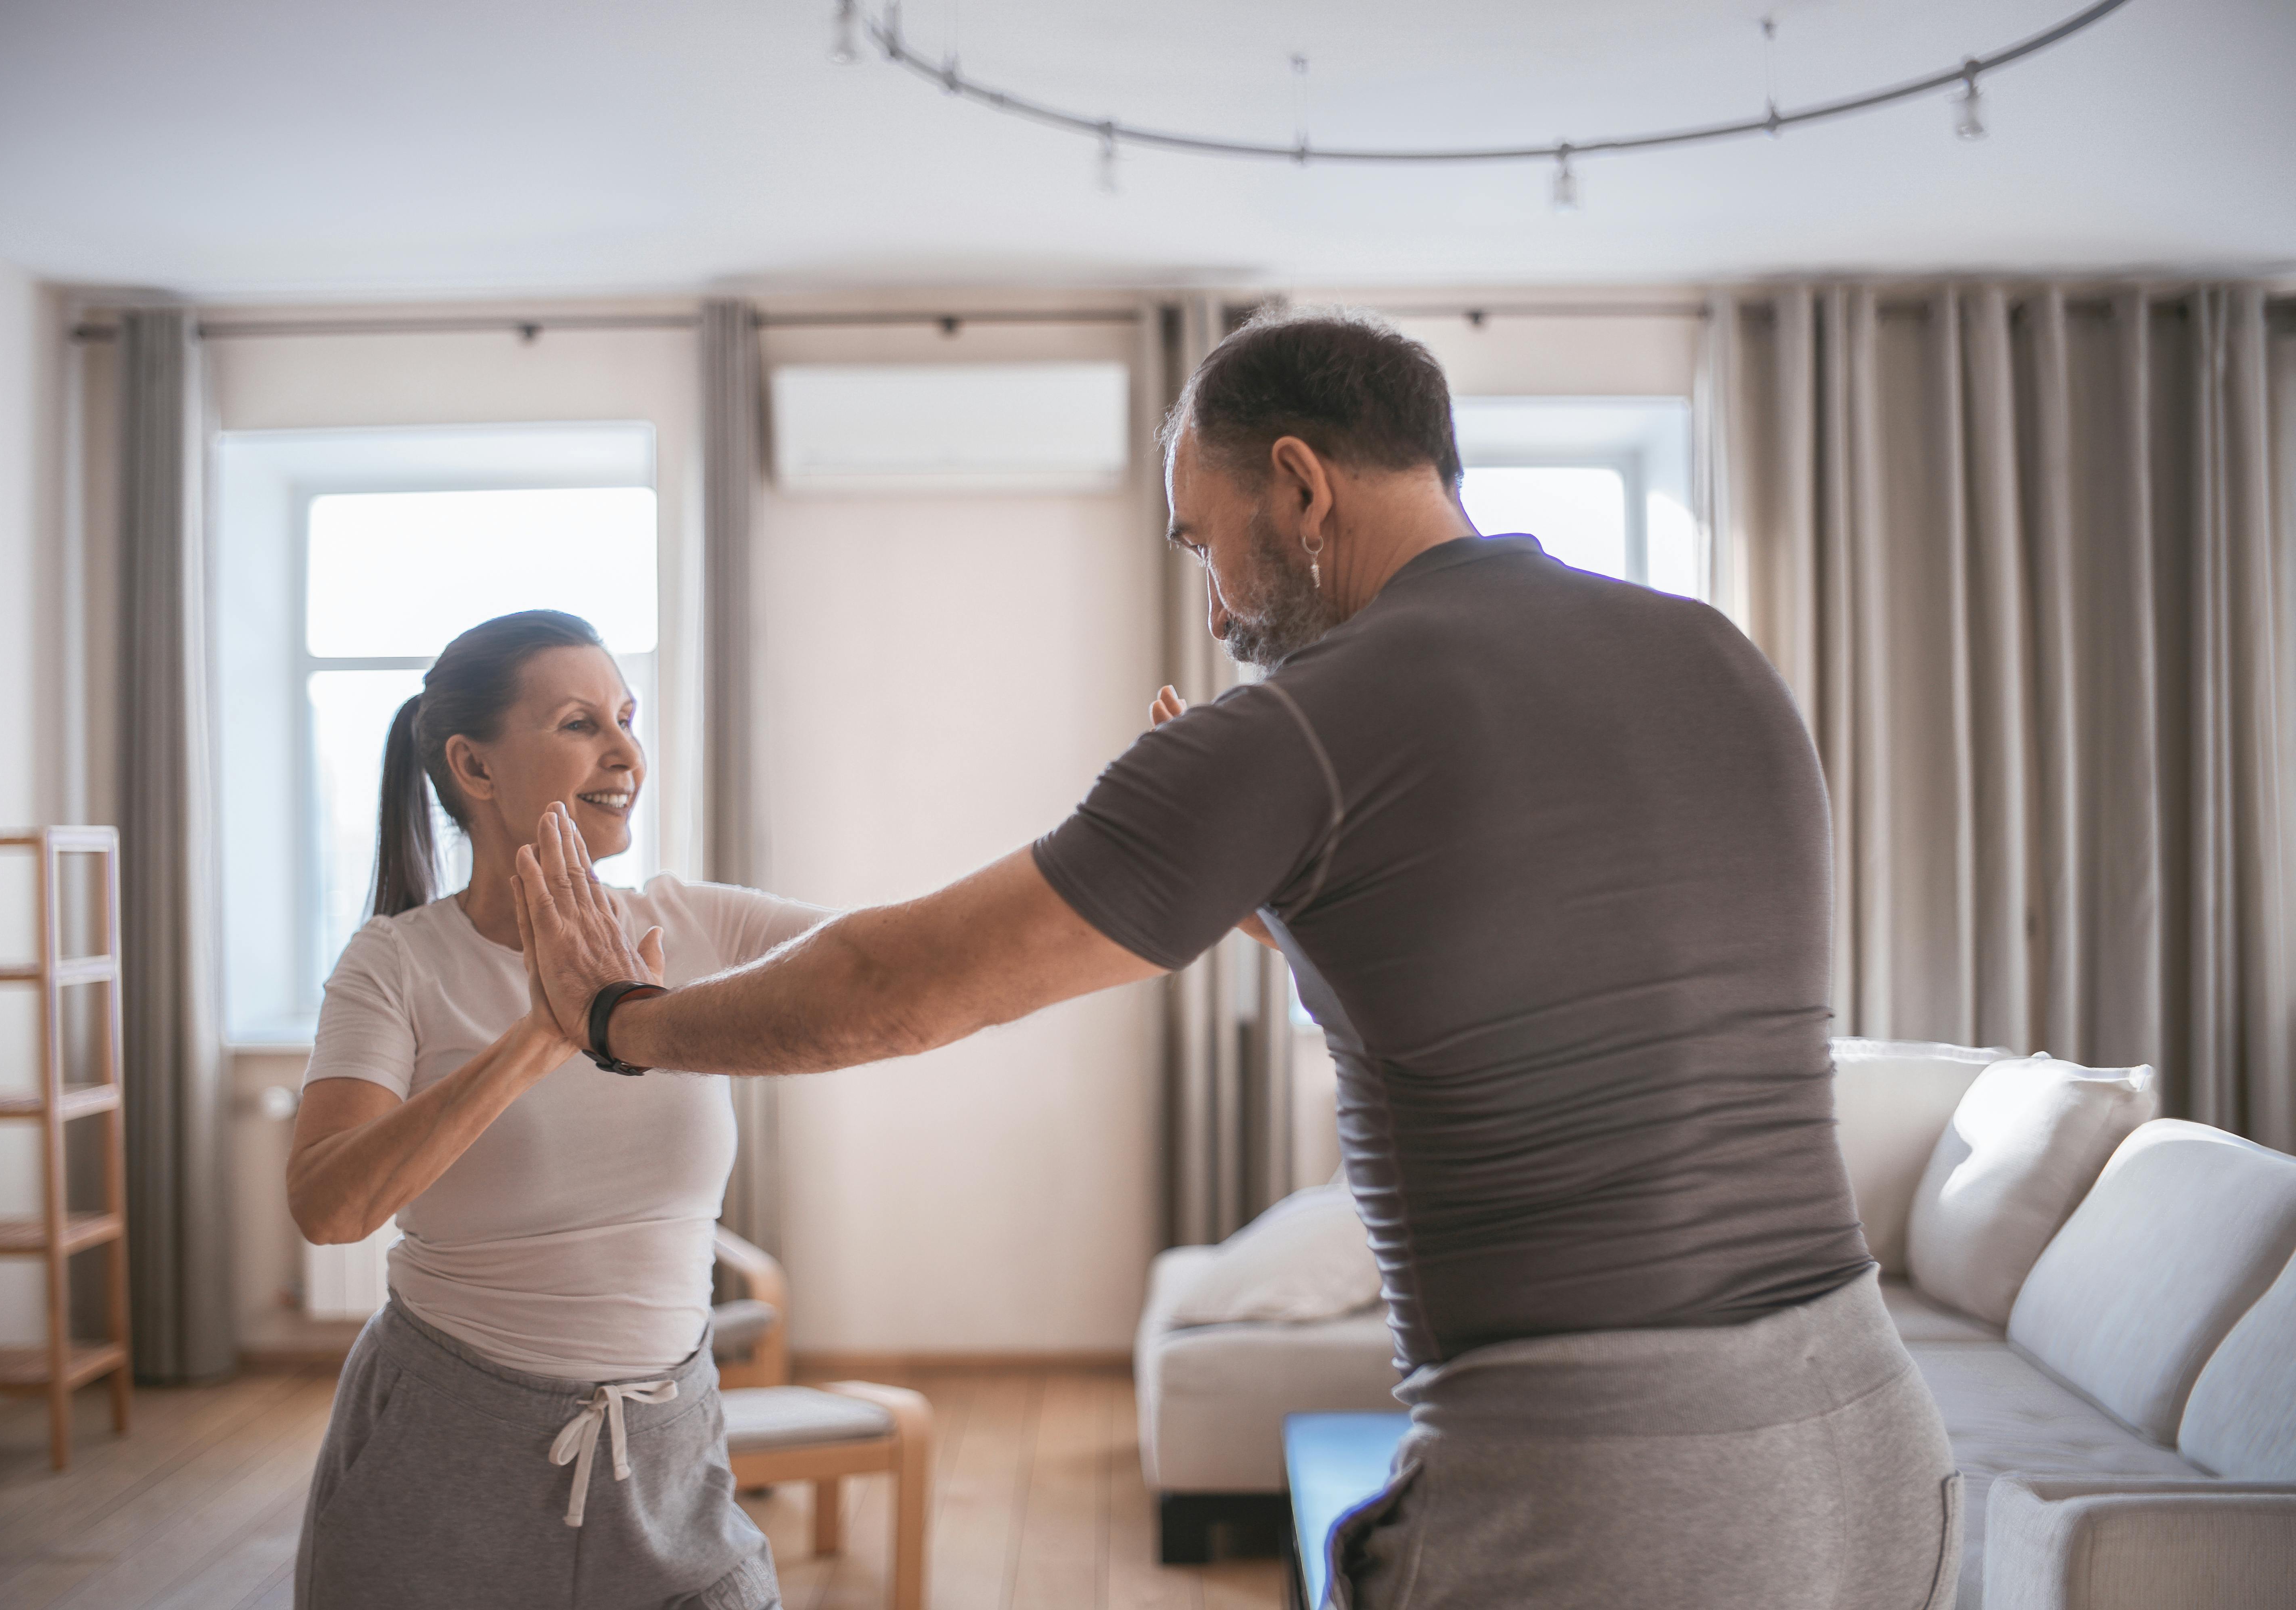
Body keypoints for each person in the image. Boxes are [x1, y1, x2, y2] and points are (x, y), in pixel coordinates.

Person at [512, 308, 1962, 1610]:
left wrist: (617, 1017)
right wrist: (1279, 890)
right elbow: (1564, 956)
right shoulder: (1713, 650)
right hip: (1876, 1446)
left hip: (1612, 1488)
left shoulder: (1293, 727)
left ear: (1302, 484)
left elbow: (897, 994)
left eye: (1204, 540)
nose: (1211, 607)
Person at [286, 609, 827, 1610]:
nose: (627, 750)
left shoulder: (696, 922)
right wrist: (544, 1035)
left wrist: (1132, 846)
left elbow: (897, 964)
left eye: (625, 716)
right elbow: (330, 1205)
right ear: (475, 767)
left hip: (670, 1454)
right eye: (582, 722)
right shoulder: (396, 963)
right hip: (443, 1450)